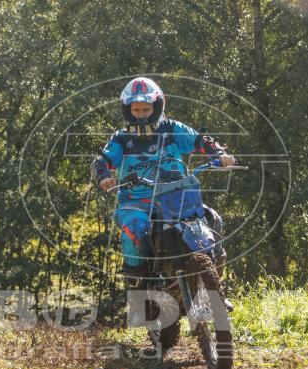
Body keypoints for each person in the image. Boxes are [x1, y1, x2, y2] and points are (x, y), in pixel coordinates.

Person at [90, 77, 237, 284]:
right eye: (136, 110)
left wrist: (220, 154)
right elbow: (102, 160)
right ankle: (138, 283)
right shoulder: (121, 138)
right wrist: (104, 176)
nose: (141, 115)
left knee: (213, 218)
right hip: (136, 202)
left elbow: (201, 141)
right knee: (135, 227)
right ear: (127, 110)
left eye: (146, 109)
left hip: (175, 196)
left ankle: (215, 277)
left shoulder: (171, 129)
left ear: (157, 107)